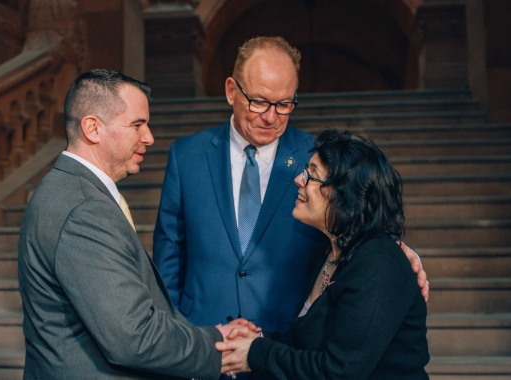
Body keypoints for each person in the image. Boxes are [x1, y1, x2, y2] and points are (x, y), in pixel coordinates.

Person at [153, 37, 428, 337]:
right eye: (259, 101)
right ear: (231, 91)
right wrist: (176, 335)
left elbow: (356, 224)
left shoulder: (318, 159)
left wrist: (397, 250)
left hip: (287, 344)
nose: (271, 117)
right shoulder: (187, 155)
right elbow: (170, 257)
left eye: (284, 104)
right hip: (204, 338)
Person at [18, 69, 250, 380]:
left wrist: (211, 334)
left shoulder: (73, 191)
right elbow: (134, 338)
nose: (149, 137)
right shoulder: (84, 209)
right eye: (137, 125)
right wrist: (216, 344)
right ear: (93, 128)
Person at [217, 130, 430, 379]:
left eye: (312, 175)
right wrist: (257, 338)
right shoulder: (326, 251)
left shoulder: (379, 266)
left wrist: (256, 353)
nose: (299, 179)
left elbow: (340, 371)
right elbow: (307, 344)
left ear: (345, 194)